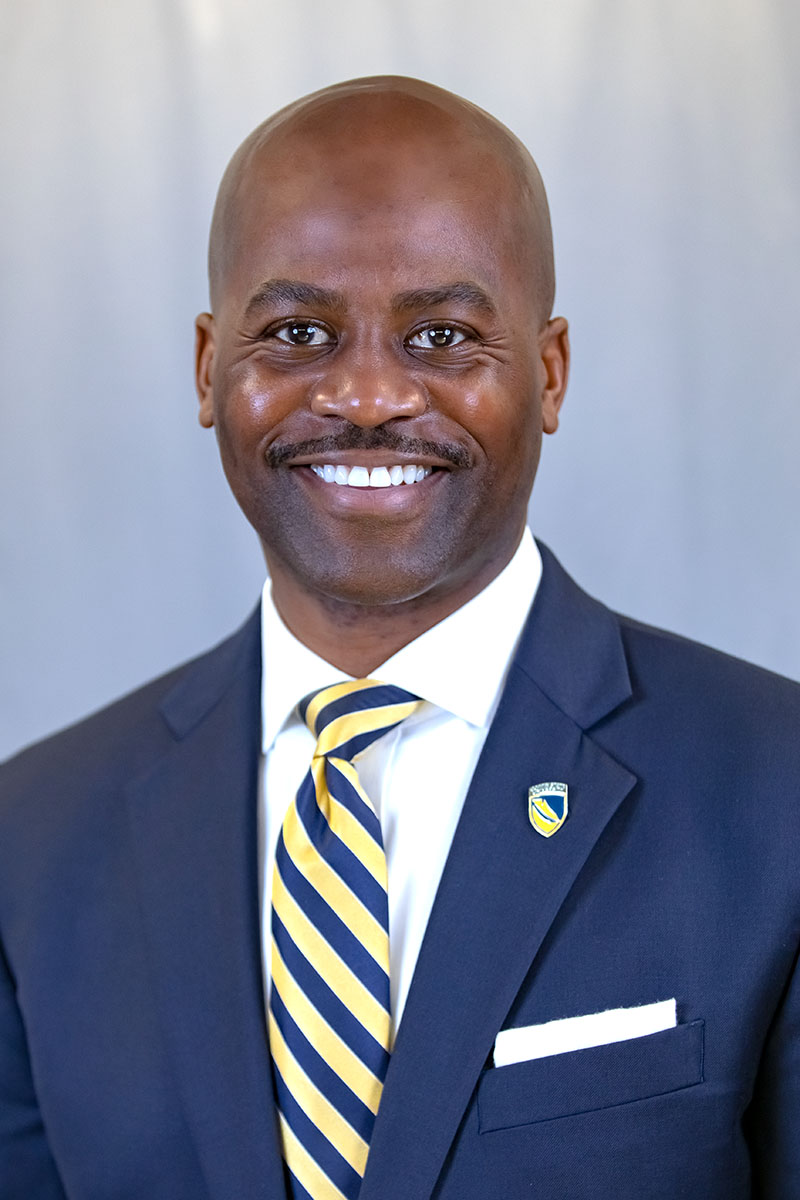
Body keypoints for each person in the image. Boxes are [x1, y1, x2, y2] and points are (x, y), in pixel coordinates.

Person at [1, 75, 798, 1200]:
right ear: (205, 368)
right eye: (295, 332)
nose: (367, 393)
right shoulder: (30, 845)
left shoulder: (774, 794)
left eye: (440, 334)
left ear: (548, 372)